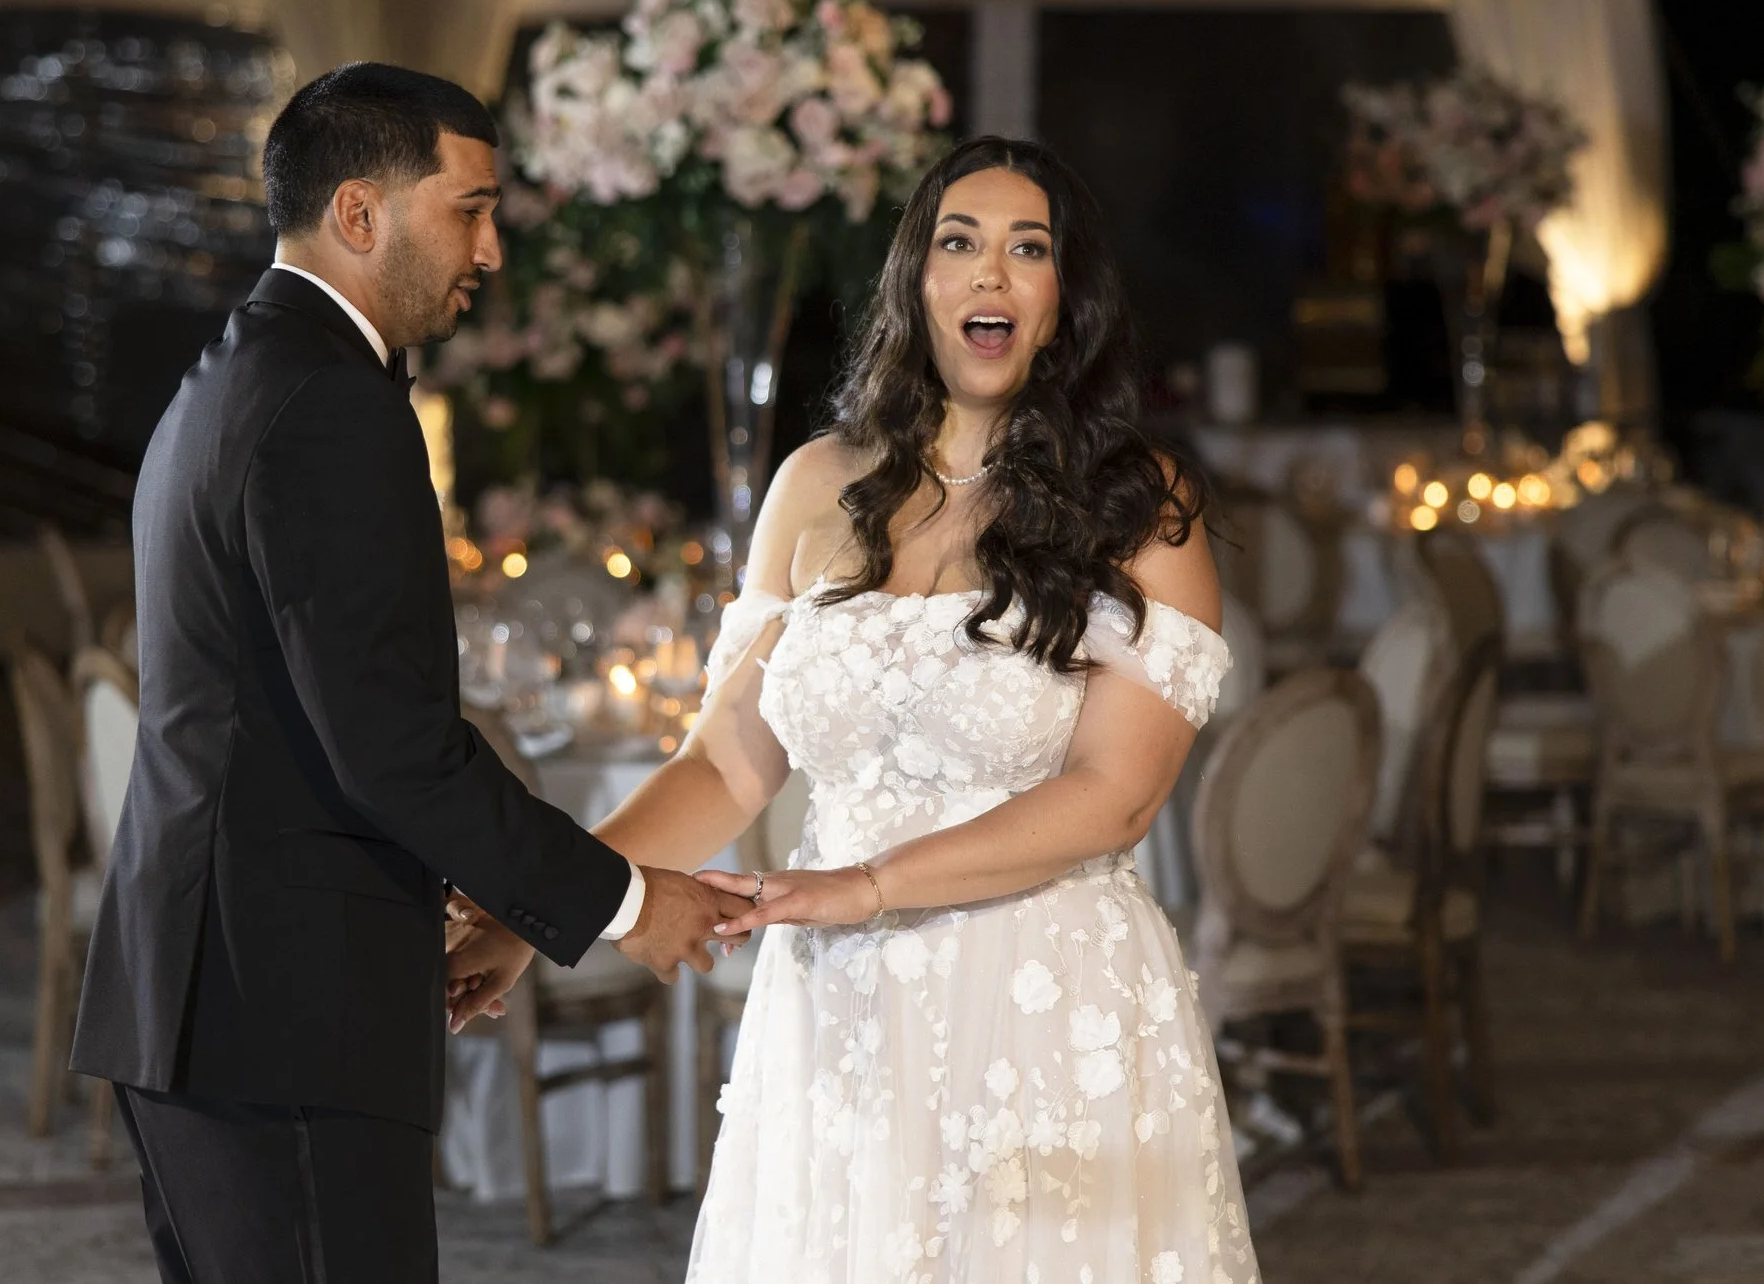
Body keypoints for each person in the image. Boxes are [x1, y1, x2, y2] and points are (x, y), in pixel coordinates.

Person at [450, 135, 1260, 1283]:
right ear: (915, 280)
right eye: (958, 243)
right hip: (837, 1008)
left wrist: (862, 886)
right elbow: (723, 766)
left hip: (1040, 997)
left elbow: (1115, 797)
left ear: (1062, 296)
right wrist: (540, 914)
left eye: (1026, 250)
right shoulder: (814, 484)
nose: (989, 274)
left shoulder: (1137, 500)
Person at [70, 62, 751, 1284]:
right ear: (359, 212)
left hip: (213, 989)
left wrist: (498, 915)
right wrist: (629, 905)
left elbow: (314, 716)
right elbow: (389, 744)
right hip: (279, 1012)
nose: (491, 249)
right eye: (470, 208)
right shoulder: (329, 401)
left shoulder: (238, 371)